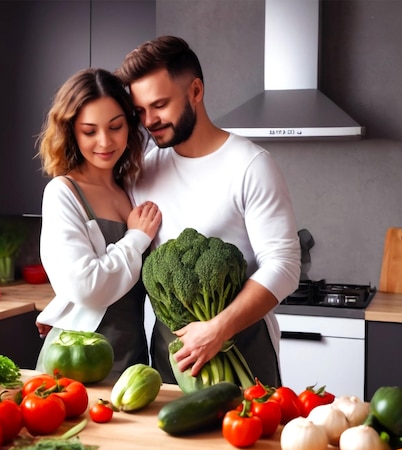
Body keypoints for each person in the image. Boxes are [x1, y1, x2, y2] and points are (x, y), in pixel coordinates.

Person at [116, 36, 301, 386]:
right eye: (140, 111)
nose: (149, 121)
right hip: (169, 352)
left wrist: (217, 330)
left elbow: (285, 265)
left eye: (159, 105)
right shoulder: (142, 173)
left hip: (242, 345)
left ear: (196, 91)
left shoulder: (251, 165)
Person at [34, 67, 162, 382]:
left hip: (131, 357)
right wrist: (135, 238)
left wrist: (62, 303)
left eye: (115, 127)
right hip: (75, 361)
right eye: (89, 131)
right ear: (71, 132)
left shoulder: (132, 189)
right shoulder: (63, 192)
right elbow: (86, 285)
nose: (104, 142)